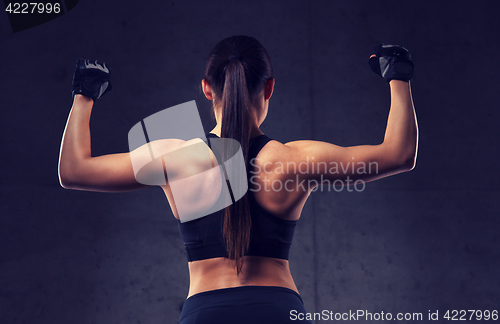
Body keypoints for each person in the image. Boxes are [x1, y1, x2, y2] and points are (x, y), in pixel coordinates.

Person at [58, 36, 418, 323]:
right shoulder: (293, 160)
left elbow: (74, 171)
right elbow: (398, 154)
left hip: (205, 312)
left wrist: (85, 94)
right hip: (278, 311)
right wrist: (397, 76)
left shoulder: (173, 158)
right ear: (270, 88)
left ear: (207, 89)